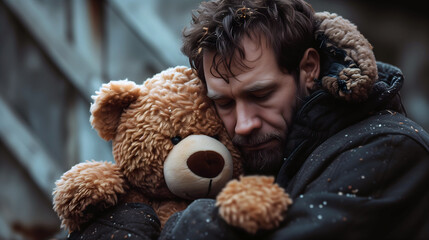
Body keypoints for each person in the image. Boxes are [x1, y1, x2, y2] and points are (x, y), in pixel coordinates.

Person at [68, 0, 429, 239]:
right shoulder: (252, 156)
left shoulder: (391, 150)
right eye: (223, 103)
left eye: (260, 95)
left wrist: (168, 226)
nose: (243, 125)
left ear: (308, 68)